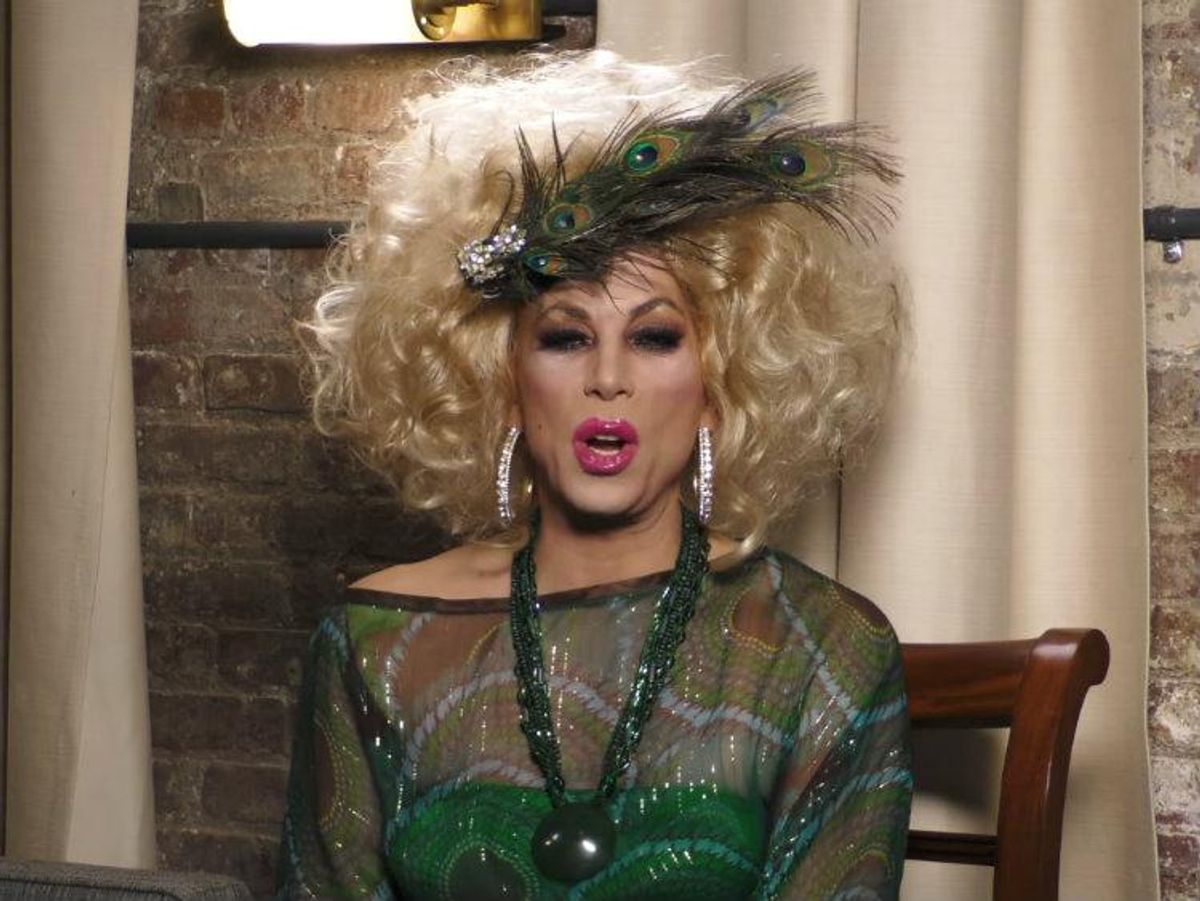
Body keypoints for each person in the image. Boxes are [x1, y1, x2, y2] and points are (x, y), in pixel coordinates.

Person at [277, 51, 912, 900]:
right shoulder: (375, 644)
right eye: (565, 337)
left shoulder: (823, 651)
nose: (607, 378)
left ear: (721, 385)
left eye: (654, 338)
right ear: (503, 380)